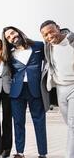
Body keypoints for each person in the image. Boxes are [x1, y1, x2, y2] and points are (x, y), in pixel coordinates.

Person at [2, 26, 49, 158]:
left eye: (12, 33)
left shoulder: (38, 46)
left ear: (18, 31)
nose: (11, 37)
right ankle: (19, 152)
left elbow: (49, 60)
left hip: (35, 90)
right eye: (8, 37)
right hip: (17, 92)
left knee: (39, 121)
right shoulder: (9, 54)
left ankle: (42, 153)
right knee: (18, 122)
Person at [40, 20, 74, 158]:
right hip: (60, 88)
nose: (49, 36)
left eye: (51, 31)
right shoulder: (48, 46)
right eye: (45, 35)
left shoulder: (71, 41)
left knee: (72, 124)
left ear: (58, 28)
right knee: (69, 124)